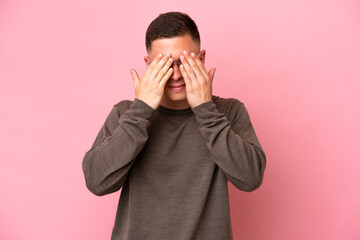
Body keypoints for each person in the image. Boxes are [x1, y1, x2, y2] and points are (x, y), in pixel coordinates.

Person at [82, 11, 266, 240]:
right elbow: (96, 181)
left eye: (184, 62)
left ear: (201, 59)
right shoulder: (126, 114)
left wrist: (206, 110)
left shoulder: (228, 112)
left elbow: (250, 178)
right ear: (148, 65)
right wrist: (141, 110)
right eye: (165, 65)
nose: (176, 75)